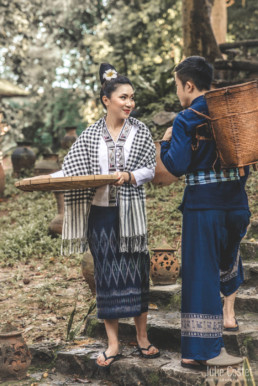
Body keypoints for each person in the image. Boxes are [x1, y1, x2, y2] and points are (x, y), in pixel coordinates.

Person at [50, 63, 159, 367]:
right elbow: (70, 170)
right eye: (124, 97)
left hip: (131, 216)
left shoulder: (140, 131)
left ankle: (141, 338)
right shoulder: (89, 136)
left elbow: (149, 168)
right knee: (107, 277)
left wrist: (128, 174)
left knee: (136, 275)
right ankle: (113, 345)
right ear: (106, 100)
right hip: (101, 217)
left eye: (132, 98)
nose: (130, 103)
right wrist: (43, 182)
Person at [160, 56, 250, 369]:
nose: (178, 94)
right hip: (236, 205)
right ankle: (216, 335)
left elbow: (177, 165)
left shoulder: (186, 118)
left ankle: (199, 352)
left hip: (202, 208)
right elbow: (245, 163)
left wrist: (165, 143)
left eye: (177, 87)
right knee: (225, 264)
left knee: (200, 276)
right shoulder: (234, 114)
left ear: (189, 84)